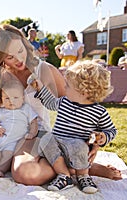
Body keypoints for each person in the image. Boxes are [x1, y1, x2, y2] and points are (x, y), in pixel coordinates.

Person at [0, 24, 122, 185]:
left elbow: (76, 108)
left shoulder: (44, 70)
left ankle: (78, 167)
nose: (19, 59)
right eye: (10, 56)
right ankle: (20, 162)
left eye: (20, 51)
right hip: (5, 134)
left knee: (25, 173)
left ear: (25, 44)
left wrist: (92, 142)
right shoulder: (0, 74)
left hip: (34, 135)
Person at [28, 60, 116, 193]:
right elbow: (50, 103)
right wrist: (40, 87)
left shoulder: (99, 112)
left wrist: (103, 137)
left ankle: (83, 176)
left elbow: (111, 130)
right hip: (58, 144)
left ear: (84, 91)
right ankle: (64, 176)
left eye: (68, 86)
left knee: (80, 145)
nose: (64, 88)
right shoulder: (65, 102)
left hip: (77, 148)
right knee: (46, 139)